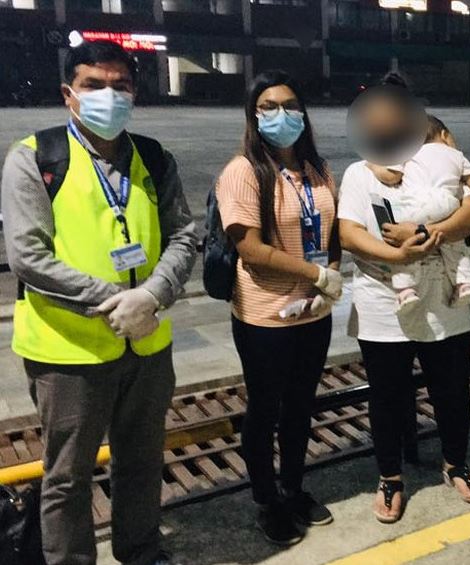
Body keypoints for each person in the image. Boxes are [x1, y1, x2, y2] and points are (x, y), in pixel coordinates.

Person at [0, 40, 197, 565]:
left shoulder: (154, 158)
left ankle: (142, 550)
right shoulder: (35, 158)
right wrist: (117, 302)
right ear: (69, 94)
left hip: (147, 346)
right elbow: (28, 257)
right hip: (69, 352)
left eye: (120, 86)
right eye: (93, 85)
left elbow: (183, 236)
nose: (108, 95)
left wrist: (151, 296)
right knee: (68, 475)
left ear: (134, 93)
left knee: (142, 460)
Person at [339, 82, 470, 523]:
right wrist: (398, 256)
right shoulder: (358, 173)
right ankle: (390, 477)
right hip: (383, 299)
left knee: (452, 388)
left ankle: (455, 463)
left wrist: (424, 235)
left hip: (444, 296)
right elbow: (349, 234)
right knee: (387, 395)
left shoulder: (439, 158)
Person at [215, 70, 341, 545]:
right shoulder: (243, 171)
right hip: (265, 315)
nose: (281, 114)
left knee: (301, 406)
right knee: (265, 408)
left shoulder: (318, 168)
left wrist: (328, 277)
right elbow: (249, 249)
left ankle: (293, 487)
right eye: (268, 107)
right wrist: (316, 274)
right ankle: (267, 500)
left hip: (314, 311)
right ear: (253, 115)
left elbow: (330, 231)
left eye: (290, 105)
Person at [368, 115, 470, 310]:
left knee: (402, 239)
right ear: (445, 135)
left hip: (417, 204)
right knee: (455, 242)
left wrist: (373, 164)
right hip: (448, 202)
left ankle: (405, 289)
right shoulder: (457, 155)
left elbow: (391, 177)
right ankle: (464, 284)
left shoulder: (408, 152)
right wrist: (462, 186)